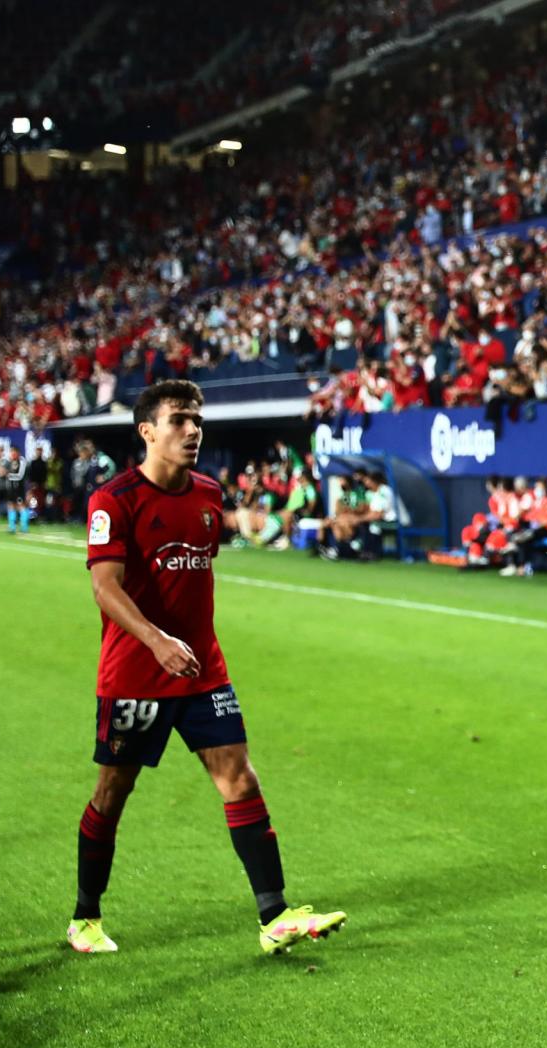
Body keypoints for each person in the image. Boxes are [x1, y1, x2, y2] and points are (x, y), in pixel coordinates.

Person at [76, 380, 345, 956]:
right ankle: (85, 917)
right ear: (147, 430)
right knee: (111, 794)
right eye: (179, 420)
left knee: (239, 777)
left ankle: (274, 915)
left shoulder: (208, 493)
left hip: (202, 671)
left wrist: (184, 644)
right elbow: (104, 588)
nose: (192, 430)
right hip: (136, 673)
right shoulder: (114, 499)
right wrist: (156, 641)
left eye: (197, 420)